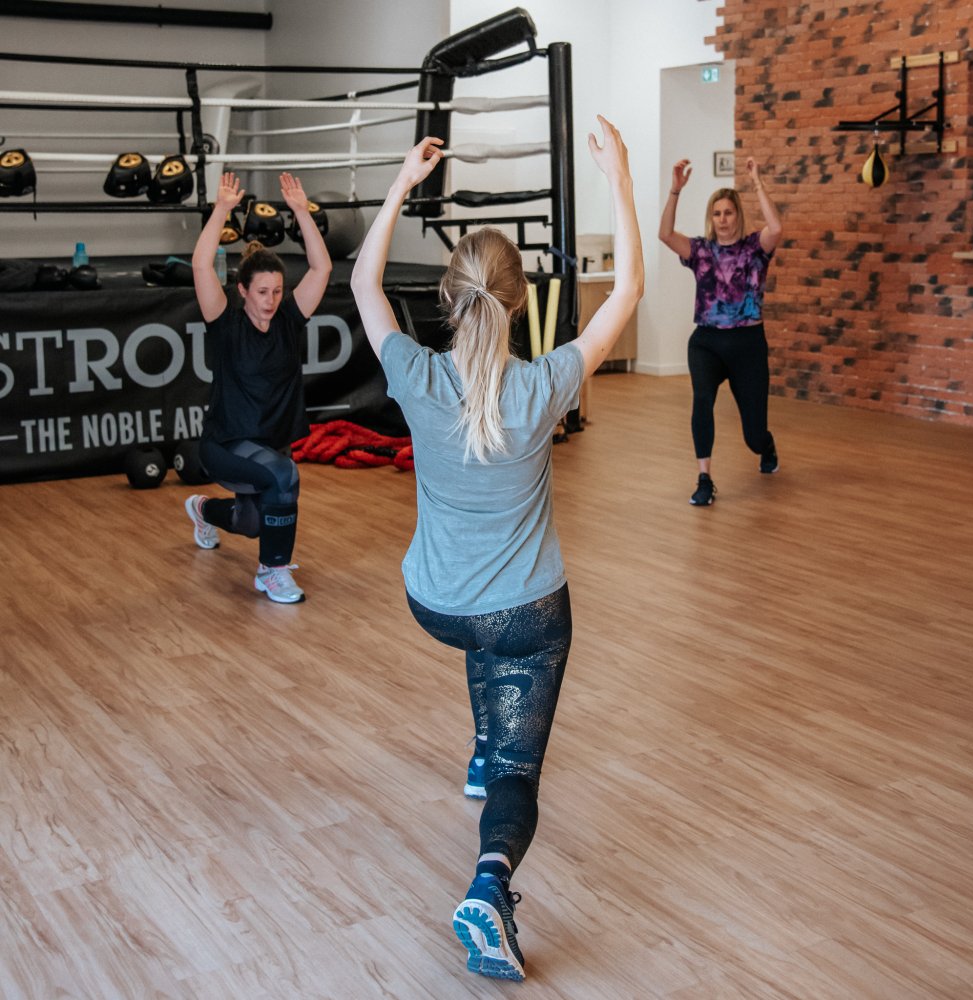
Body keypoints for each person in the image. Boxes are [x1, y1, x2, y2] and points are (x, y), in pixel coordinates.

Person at [350, 117, 642, 981]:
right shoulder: (543, 384)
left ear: (447, 298)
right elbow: (626, 290)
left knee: (484, 637)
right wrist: (618, 175)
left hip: (434, 605)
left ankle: (481, 747)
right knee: (520, 756)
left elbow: (363, 282)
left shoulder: (415, 373)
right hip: (524, 613)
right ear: (521, 303)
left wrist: (404, 181)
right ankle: (488, 886)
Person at [184, 172, 332, 602]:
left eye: (277, 291)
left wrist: (303, 212)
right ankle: (272, 573)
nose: (270, 299)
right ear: (243, 290)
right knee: (284, 476)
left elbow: (322, 267)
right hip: (226, 445)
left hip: (270, 445)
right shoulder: (225, 322)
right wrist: (221, 210)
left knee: (251, 523)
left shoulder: (289, 319)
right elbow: (199, 264)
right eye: (261, 291)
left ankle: (202, 509)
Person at [659, 156, 782, 506]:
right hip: (707, 343)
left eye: (729, 212)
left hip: (748, 345)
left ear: (737, 216)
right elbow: (665, 234)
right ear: (711, 218)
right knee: (701, 402)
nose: (723, 219)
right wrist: (675, 190)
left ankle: (766, 445)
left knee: (753, 435)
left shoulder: (755, 248)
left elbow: (777, 228)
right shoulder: (700, 250)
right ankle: (704, 478)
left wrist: (757, 182)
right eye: (717, 213)